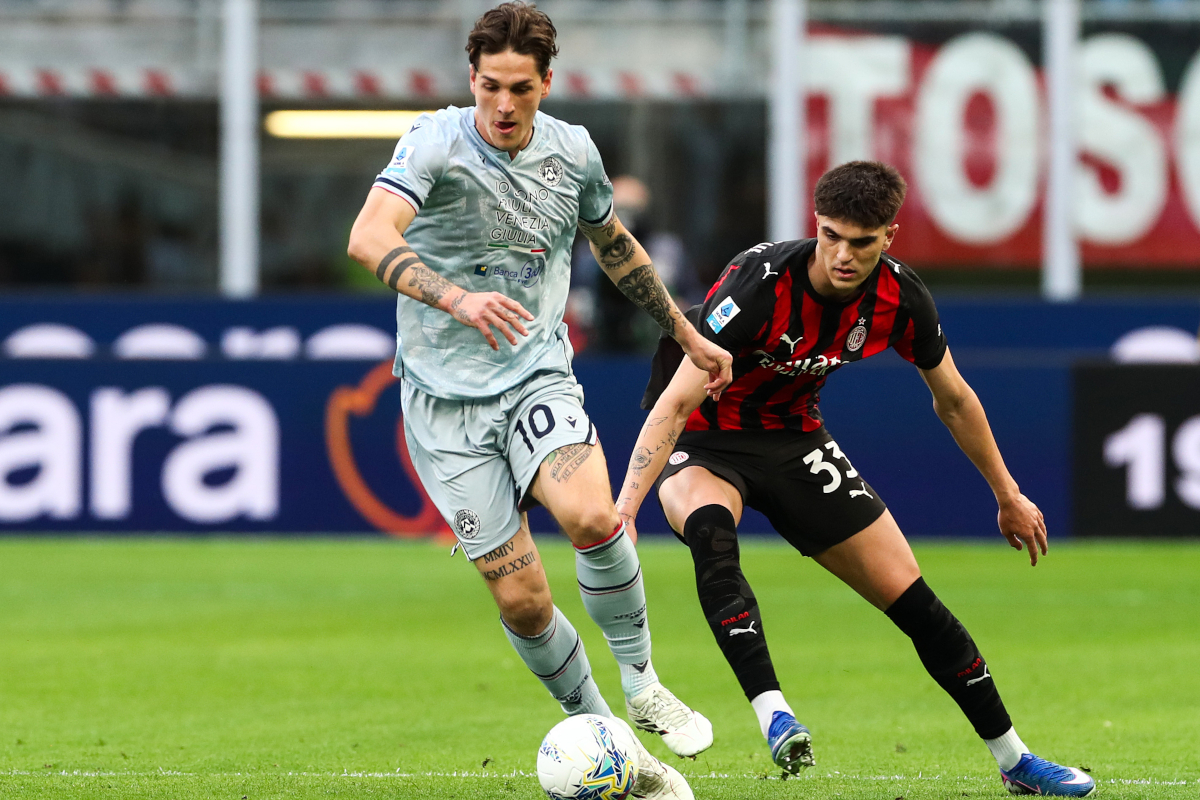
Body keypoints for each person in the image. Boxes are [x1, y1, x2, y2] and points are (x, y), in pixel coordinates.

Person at [615, 161, 1096, 797]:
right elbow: (675, 404)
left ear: (889, 236)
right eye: (830, 236)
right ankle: (773, 713)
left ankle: (1016, 762)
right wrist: (625, 510)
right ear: (816, 225)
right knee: (710, 530)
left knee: (916, 602)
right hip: (703, 435)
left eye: (862, 243)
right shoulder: (759, 282)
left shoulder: (902, 297)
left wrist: (1008, 495)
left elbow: (952, 398)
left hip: (794, 438)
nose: (842, 255)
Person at [346, 4, 731, 797]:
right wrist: (456, 299)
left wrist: (686, 333)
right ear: (472, 79)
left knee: (593, 516)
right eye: (490, 86)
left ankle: (642, 679)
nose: (504, 104)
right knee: (524, 602)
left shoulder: (573, 151)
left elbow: (614, 245)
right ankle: (623, 749)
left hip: (535, 377)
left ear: (546, 83)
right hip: (443, 406)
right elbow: (368, 235)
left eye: (521, 88)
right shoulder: (433, 142)